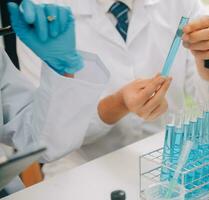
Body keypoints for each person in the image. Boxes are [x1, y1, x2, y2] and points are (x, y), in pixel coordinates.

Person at [17, 0, 209, 176]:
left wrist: (207, 60)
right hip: (81, 171)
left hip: (164, 160)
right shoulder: (43, 16)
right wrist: (118, 104)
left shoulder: (179, 4)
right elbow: (44, 134)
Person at [0, 0, 170, 194]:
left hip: (155, 161)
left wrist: (62, 69)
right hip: (80, 173)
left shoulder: (47, 20)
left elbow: (39, 139)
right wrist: (118, 104)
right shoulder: (45, 7)